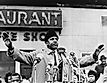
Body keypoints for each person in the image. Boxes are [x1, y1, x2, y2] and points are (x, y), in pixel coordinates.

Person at [2, 29, 104, 83]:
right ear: (46, 43)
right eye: (52, 39)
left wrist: (94, 56)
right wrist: (11, 47)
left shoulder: (64, 55)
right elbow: (22, 56)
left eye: (56, 39)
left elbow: (79, 62)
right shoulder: (39, 54)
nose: (55, 40)